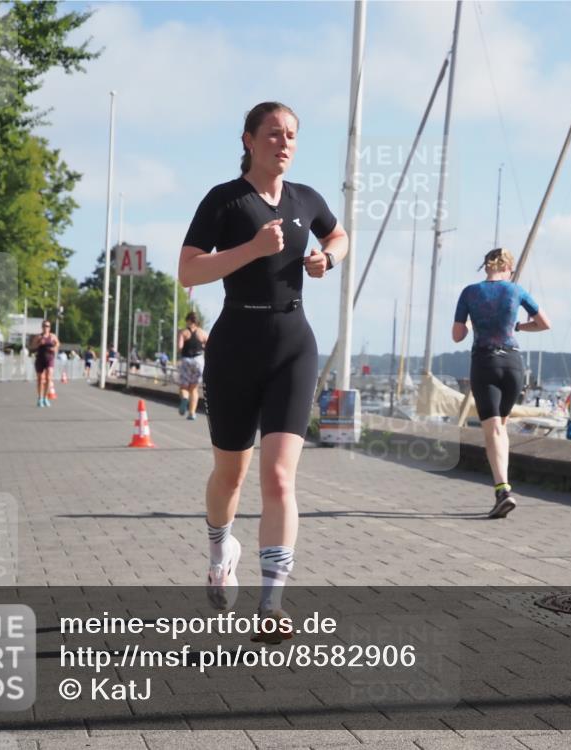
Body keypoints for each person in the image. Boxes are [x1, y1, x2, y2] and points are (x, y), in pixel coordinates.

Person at [178, 102, 348, 637]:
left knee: (279, 476)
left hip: (293, 345)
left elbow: (340, 235)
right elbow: (188, 269)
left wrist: (329, 258)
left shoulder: (307, 199)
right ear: (249, 139)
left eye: (292, 135)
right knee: (232, 473)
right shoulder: (224, 200)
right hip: (235, 346)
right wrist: (251, 249)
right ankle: (218, 544)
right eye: (274, 133)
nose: (285, 142)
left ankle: (271, 604)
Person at [452, 248, 551, 519]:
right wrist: (518, 327)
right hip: (513, 366)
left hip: (485, 364)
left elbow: (457, 335)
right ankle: (504, 488)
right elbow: (544, 323)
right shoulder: (516, 291)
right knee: (501, 427)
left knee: (493, 429)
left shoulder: (470, 292)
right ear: (508, 268)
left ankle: (503, 491)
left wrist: (472, 323)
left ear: (486, 267)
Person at [177, 312, 208, 421]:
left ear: (188, 320)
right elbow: (209, 347)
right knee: (194, 389)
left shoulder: (183, 332)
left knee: (184, 387)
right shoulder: (203, 333)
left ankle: (185, 398)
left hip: (186, 360)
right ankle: (192, 413)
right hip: (199, 361)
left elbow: (180, 347)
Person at [31, 320, 59, 407]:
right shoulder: (38, 337)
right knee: (40, 379)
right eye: (44, 326)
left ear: (50, 328)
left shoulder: (52, 336)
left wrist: (54, 348)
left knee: (48, 378)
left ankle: (45, 397)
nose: (46, 327)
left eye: (47, 326)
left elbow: (58, 344)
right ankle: (40, 398)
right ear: (42, 327)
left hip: (49, 359)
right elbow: (32, 346)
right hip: (40, 359)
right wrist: (39, 343)